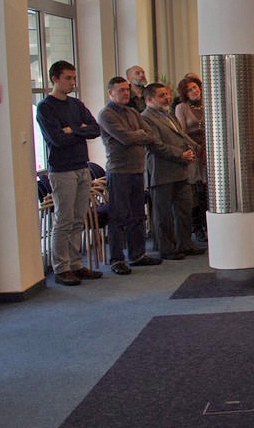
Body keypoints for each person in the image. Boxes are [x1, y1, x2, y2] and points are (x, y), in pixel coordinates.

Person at [35, 60, 103, 286]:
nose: (72, 82)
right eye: (68, 78)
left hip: (82, 166)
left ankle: (76, 263)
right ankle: (61, 267)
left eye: (74, 78)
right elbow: (57, 139)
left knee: (78, 219)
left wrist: (71, 129)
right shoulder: (46, 107)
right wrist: (79, 130)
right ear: (54, 78)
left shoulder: (76, 104)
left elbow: (95, 129)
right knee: (64, 220)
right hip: (62, 169)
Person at [98, 76, 160, 272]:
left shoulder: (132, 112)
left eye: (127, 89)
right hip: (119, 171)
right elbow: (124, 138)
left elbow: (151, 135)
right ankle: (117, 259)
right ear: (111, 93)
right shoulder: (106, 114)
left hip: (137, 170)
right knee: (118, 217)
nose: (126, 93)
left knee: (137, 216)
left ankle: (137, 255)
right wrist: (138, 135)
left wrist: (137, 135)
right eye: (121, 90)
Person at [141, 82, 200, 260]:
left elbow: (181, 135)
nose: (167, 98)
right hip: (162, 171)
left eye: (167, 94)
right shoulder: (146, 118)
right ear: (149, 99)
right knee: (163, 214)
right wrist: (181, 154)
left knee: (184, 209)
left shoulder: (168, 114)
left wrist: (195, 147)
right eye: (161, 95)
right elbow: (155, 145)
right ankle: (167, 248)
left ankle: (185, 244)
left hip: (180, 170)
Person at [173, 76, 207, 243]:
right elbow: (182, 132)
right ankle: (197, 226)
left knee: (207, 190)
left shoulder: (207, 103)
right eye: (189, 90)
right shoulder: (182, 108)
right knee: (194, 189)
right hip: (193, 151)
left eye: (195, 87)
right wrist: (196, 146)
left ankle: (207, 224)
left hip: (208, 150)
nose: (194, 91)